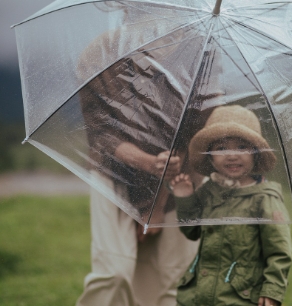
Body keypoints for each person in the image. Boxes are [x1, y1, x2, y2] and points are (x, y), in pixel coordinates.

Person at [75, 16, 199, 306]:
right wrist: (146, 163)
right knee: (114, 275)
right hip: (113, 172)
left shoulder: (197, 51)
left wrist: (156, 205)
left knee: (170, 279)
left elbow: (197, 133)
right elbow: (99, 132)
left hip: (181, 179)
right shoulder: (99, 53)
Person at [171, 105, 292, 306]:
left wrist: (272, 289)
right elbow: (191, 230)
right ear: (209, 154)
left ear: (256, 152)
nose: (232, 155)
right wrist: (185, 198)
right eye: (221, 148)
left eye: (242, 147)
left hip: (238, 296)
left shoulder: (264, 198)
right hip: (198, 293)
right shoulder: (209, 189)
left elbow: (278, 251)